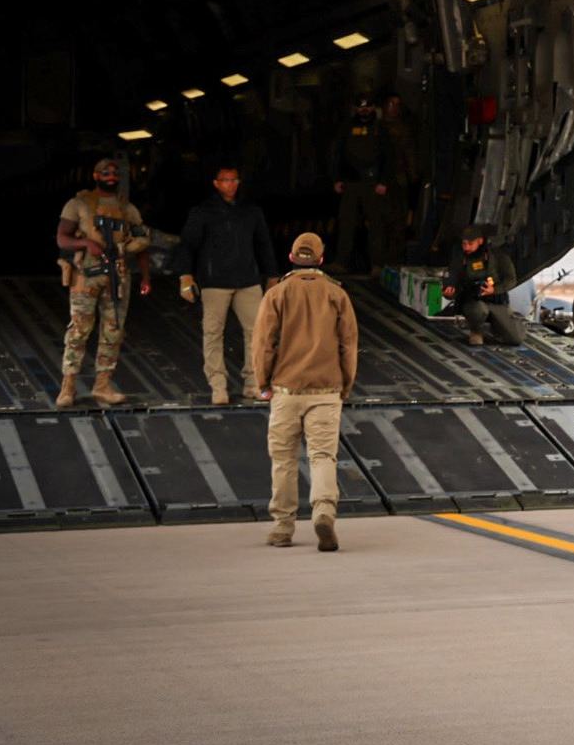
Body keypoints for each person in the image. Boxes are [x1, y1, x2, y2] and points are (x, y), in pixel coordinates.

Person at [251, 232, 357, 551]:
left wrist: (263, 383)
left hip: (286, 390)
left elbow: (262, 344)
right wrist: (345, 385)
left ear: (292, 258)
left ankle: (283, 528)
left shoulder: (277, 294)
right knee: (323, 456)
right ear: (321, 259)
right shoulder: (337, 295)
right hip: (326, 390)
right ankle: (324, 512)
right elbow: (349, 345)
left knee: (283, 459)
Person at [176, 165, 280, 404]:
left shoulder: (251, 211)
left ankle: (254, 383)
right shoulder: (203, 212)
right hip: (214, 282)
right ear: (216, 183)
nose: (230, 184)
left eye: (234, 180)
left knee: (257, 333)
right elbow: (187, 245)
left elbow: (264, 243)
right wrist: (185, 276)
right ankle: (218, 386)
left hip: (248, 280)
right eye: (225, 180)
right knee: (213, 333)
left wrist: (272, 275)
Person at [56, 157, 151, 408]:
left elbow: (142, 241)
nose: (111, 176)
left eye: (114, 173)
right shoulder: (79, 204)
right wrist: (86, 243)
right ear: (95, 176)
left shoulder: (126, 208)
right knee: (79, 330)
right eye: (105, 172)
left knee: (113, 330)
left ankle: (103, 384)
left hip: (117, 276)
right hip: (86, 275)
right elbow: (62, 239)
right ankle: (68, 386)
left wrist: (146, 276)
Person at [330, 94, 393, 273]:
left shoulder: (380, 128)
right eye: (360, 106)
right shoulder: (347, 127)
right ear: (355, 108)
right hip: (350, 182)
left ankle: (377, 264)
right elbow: (338, 153)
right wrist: (336, 178)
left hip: (372, 183)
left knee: (375, 224)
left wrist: (383, 181)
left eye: (367, 106)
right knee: (346, 223)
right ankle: (341, 262)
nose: (364, 109)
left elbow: (388, 156)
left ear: (373, 108)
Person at [446, 226, 525, 346]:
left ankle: (502, 326)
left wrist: (494, 289)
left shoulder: (498, 256)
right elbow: (452, 281)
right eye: (464, 244)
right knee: (478, 311)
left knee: (515, 339)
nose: (466, 247)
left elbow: (511, 279)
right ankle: (476, 330)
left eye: (470, 243)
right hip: (474, 302)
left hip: (496, 301)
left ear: (480, 241)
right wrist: (449, 293)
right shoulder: (459, 259)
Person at [380, 92, 419, 265]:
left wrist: (413, 178)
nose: (393, 108)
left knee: (398, 220)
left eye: (397, 105)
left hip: (398, 179)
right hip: (378, 180)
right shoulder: (377, 128)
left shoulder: (403, 129)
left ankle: (393, 258)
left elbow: (409, 154)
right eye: (391, 104)